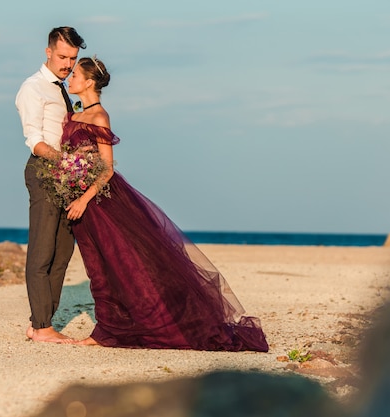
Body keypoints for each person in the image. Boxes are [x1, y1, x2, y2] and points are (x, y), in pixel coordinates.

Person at [59, 56, 269, 351]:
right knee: (97, 268)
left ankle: (117, 330)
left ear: (89, 82)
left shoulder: (99, 117)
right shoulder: (74, 114)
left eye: (76, 75)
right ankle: (107, 330)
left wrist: (82, 198)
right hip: (82, 201)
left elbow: (106, 169)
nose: (70, 78)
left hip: (101, 202)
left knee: (123, 266)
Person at [15, 27, 86, 343]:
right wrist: (67, 161)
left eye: (72, 58)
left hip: (65, 177)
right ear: (48, 52)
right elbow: (36, 141)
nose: (67, 64)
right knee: (42, 252)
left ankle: (40, 323)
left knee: (62, 253)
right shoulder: (33, 88)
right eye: (62, 56)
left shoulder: (63, 90)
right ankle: (42, 327)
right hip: (44, 174)